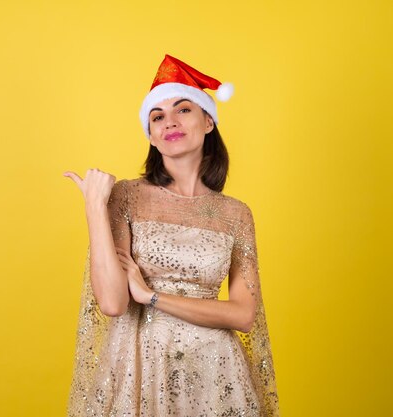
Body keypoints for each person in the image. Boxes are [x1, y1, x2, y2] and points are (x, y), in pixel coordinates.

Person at [63, 54, 280, 416]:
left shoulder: (236, 214)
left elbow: (243, 315)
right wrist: (94, 207)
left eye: (183, 110)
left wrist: (150, 296)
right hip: (140, 368)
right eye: (158, 116)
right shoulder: (127, 197)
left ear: (208, 120)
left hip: (216, 371)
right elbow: (113, 303)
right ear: (150, 134)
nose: (170, 123)